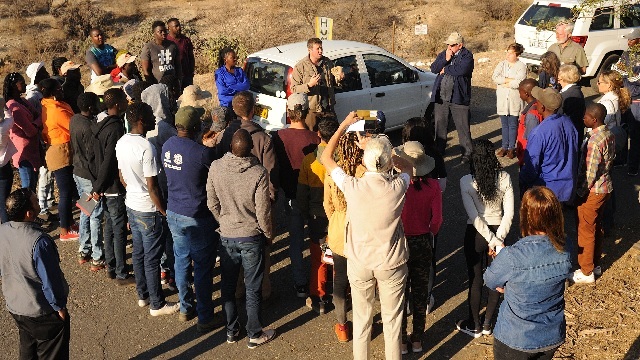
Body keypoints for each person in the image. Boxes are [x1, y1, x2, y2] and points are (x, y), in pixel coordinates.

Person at [321, 112, 412, 360]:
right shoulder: (398, 187)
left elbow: (326, 157)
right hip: (391, 263)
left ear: (366, 160)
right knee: (393, 324)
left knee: (361, 323)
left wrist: (344, 126)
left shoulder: (353, 185)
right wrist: (386, 154)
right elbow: (409, 167)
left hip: (359, 262)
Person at [207, 128, 277, 347]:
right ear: (251, 151)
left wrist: (224, 221)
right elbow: (263, 210)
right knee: (252, 287)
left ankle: (231, 330)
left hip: (227, 235)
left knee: (227, 286)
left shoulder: (216, 167)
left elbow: (211, 202)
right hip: (251, 236)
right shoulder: (258, 173)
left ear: (230, 147)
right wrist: (268, 235)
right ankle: (254, 333)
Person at [484, 186, 571, 360]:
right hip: (551, 334)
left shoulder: (511, 256)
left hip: (516, 338)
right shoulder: (565, 250)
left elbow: (490, 280)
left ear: (526, 216)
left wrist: (502, 270)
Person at [116, 102, 178, 316]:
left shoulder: (122, 141)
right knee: (152, 258)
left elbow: (122, 176)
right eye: (151, 116)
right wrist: (163, 211)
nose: (154, 119)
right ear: (141, 121)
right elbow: (152, 187)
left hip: (131, 204)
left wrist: (133, 189)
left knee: (139, 253)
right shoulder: (147, 148)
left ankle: (143, 295)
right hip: (148, 209)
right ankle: (157, 304)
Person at [163, 106, 220, 326]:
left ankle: (185, 307)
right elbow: (211, 168)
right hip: (198, 215)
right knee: (203, 267)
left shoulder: (167, 146)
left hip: (174, 211)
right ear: (197, 127)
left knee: (181, 260)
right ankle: (205, 317)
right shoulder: (201, 152)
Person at [0, 188, 71, 359]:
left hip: (16, 306)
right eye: (35, 200)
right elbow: (50, 280)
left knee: (27, 347)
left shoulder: (3, 230)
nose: (39, 201)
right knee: (52, 352)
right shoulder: (39, 241)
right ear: (29, 213)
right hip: (41, 311)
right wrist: (59, 307)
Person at [456, 139, 514, 338]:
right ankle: (489, 322)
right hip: (500, 231)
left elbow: (474, 216)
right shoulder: (505, 178)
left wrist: (489, 238)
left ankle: (475, 324)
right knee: (496, 279)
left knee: (475, 278)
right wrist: (498, 240)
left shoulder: (466, 181)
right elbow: (509, 213)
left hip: (476, 234)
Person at [271, 93, 320, 298]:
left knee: (296, 241)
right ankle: (319, 282)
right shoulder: (315, 138)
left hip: (291, 197)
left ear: (289, 113)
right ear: (306, 112)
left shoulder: (278, 137)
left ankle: (300, 283)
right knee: (317, 240)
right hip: (314, 197)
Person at [395, 141, 442, 354]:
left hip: (401, 242)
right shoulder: (433, 187)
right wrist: (429, 232)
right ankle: (417, 340)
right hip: (423, 240)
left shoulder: (397, 185)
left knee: (400, 295)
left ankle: (402, 341)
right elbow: (437, 220)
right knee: (420, 294)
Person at [323, 130, 365, 342]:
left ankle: (342, 327)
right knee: (361, 281)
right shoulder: (364, 171)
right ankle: (362, 324)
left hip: (339, 230)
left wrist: (335, 221)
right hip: (361, 231)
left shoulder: (331, 172)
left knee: (339, 280)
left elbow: (327, 204)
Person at [400, 117, 445, 313]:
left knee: (403, 267)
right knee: (426, 266)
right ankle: (424, 301)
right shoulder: (433, 183)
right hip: (425, 231)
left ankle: (404, 301)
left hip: (401, 231)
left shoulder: (398, 177)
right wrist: (432, 232)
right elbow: (437, 218)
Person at [91, 88, 135, 285]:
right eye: (124, 100)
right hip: (113, 186)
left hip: (103, 184)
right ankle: (121, 271)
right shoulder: (116, 128)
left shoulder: (100, 123)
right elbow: (110, 160)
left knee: (109, 226)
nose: (127, 102)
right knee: (118, 230)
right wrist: (99, 186)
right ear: (117, 105)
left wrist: (97, 185)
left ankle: (111, 266)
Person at [297, 116, 339, 313]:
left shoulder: (309, 161)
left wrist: (305, 214)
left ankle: (319, 297)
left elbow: (302, 194)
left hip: (317, 217)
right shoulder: (342, 159)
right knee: (340, 255)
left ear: (319, 135)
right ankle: (341, 292)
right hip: (339, 216)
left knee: (318, 258)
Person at [571, 104, 614, 284]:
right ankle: (594, 263)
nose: (583, 119)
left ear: (594, 119)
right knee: (596, 226)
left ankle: (586, 270)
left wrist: (580, 193)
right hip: (605, 187)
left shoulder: (594, 141)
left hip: (593, 191)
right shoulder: (608, 133)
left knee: (585, 229)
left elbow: (590, 172)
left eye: (586, 117)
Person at [213, 91, 278, 201]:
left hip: (227, 197)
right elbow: (271, 173)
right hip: (254, 199)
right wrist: (270, 199)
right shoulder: (263, 139)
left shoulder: (223, 135)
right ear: (253, 110)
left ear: (233, 109)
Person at [520, 86, 578, 202]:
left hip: (545, 191)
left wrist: (524, 182)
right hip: (566, 187)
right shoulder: (568, 123)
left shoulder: (539, 132)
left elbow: (532, 166)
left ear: (542, 107)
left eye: (538, 101)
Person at [40, 78, 78, 241]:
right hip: (60, 152)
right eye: (58, 89)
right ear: (53, 93)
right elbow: (73, 127)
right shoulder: (56, 110)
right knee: (65, 192)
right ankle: (64, 231)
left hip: (59, 150)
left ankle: (69, 222)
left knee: (68, 190)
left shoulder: (49, 104)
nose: (62, 90)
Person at [70, 92, 105, 270]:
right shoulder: (90, 128)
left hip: (78, 171)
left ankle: (84, 250)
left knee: (85, 210)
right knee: (96, 215)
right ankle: (97, 257)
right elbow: (94, 156)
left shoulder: (74, 119)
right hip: (89, 175)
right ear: (91, 108)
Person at [430, 32, 474, 163]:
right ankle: (439, 149)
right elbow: (434, 68)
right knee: (440, 125)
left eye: (452, 45)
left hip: (458, 97)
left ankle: (467, 153)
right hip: (441, 96)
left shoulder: (467, 56)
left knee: (463, 127)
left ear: (460, 45)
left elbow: (462, 70)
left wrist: (445, 69)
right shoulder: (444, 54)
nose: (449, 47)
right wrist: (446, 60)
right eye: (448, 44)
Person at [291, 38, 344, 131]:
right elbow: (294, 89)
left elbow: (332, 82)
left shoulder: (327, 63)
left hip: (328, 108)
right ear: (310, 50)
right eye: (318, 49)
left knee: (331, 136)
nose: (320, 51)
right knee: (312, 139)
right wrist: (309, 85)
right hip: (311, 111)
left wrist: (339, 78)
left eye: (321, 48)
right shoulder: (300, 66)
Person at [3, 72, 42, 192]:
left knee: (32, 186)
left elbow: (40, 115)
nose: (25, 84)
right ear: (14, 86)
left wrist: (35, 123)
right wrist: (37, 124)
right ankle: (26, 210)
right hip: (23, 153)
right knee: (28, 189)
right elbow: (30, 131)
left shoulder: (22, 101)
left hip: (32, 150)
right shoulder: (13, 107)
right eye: (22, 82)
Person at [612, 28, 640, 176]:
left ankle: (633, 166)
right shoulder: (627, 54)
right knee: (622, 129)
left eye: (632, 39)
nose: (629, 42)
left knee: (635, 135)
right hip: (625, 99)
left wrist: (628, 80)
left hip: (637, 101)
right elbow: (617, 70)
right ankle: (621, 159)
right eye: (628, 39)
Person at [492, 43, 526, 159]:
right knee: (504, 125)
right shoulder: (501, 64)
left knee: (512, 124)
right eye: (507, 52)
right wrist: (509, 80)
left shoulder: (521, 66)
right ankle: (504, 146)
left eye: (511, 53)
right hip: (502, 99)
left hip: (514, 100)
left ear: (517, 54)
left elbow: (518, 82)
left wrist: (504, 82)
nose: (508, 55)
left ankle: (512, 147)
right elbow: (495, 78)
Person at [141, 20, 181, 85]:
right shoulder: (148, 47)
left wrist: (179, 81)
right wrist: (152, 85)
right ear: (154, 33)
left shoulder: (173, 46)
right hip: (157, 84)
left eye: (165, 31)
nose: (163, 33)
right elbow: (146, 70)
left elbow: (178, 65)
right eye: (160, 32)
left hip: (173, 84)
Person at [214, 47, 249, 122]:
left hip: (239, 106)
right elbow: (222, 91)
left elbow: (246, 85)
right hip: (227, 106)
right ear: (225, 59)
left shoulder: (239, 71)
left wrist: (230, 87)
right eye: (233, 57)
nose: (235, 59)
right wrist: (239, 89)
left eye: (236, 57)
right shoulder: (219, 73)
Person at [516, 78, 543, 166]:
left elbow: (531, 140)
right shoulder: (538, 106)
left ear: (526, 94)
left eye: (520, 92)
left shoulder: (532, 114)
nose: (519, 94)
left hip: (527, 155)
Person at [557, 64, 586, 146]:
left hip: (568, 136)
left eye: (559, 79)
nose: (558, 81)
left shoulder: (567, 95)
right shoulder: (576, 90)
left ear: (566, 79)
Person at [167, 18, 195, 89]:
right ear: (169, 28)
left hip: (186, 75)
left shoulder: (186, 40)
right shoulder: (166, 42)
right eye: (175, 26)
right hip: (173, 76)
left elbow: (191, 57)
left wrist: (191, 72)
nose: (178, 28)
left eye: (179, 25)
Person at [0, 98, 15, 223]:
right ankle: (5, 229)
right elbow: (10, 117)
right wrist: (4, 106)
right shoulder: (4, 127)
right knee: (3, 200)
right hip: (3, 167)